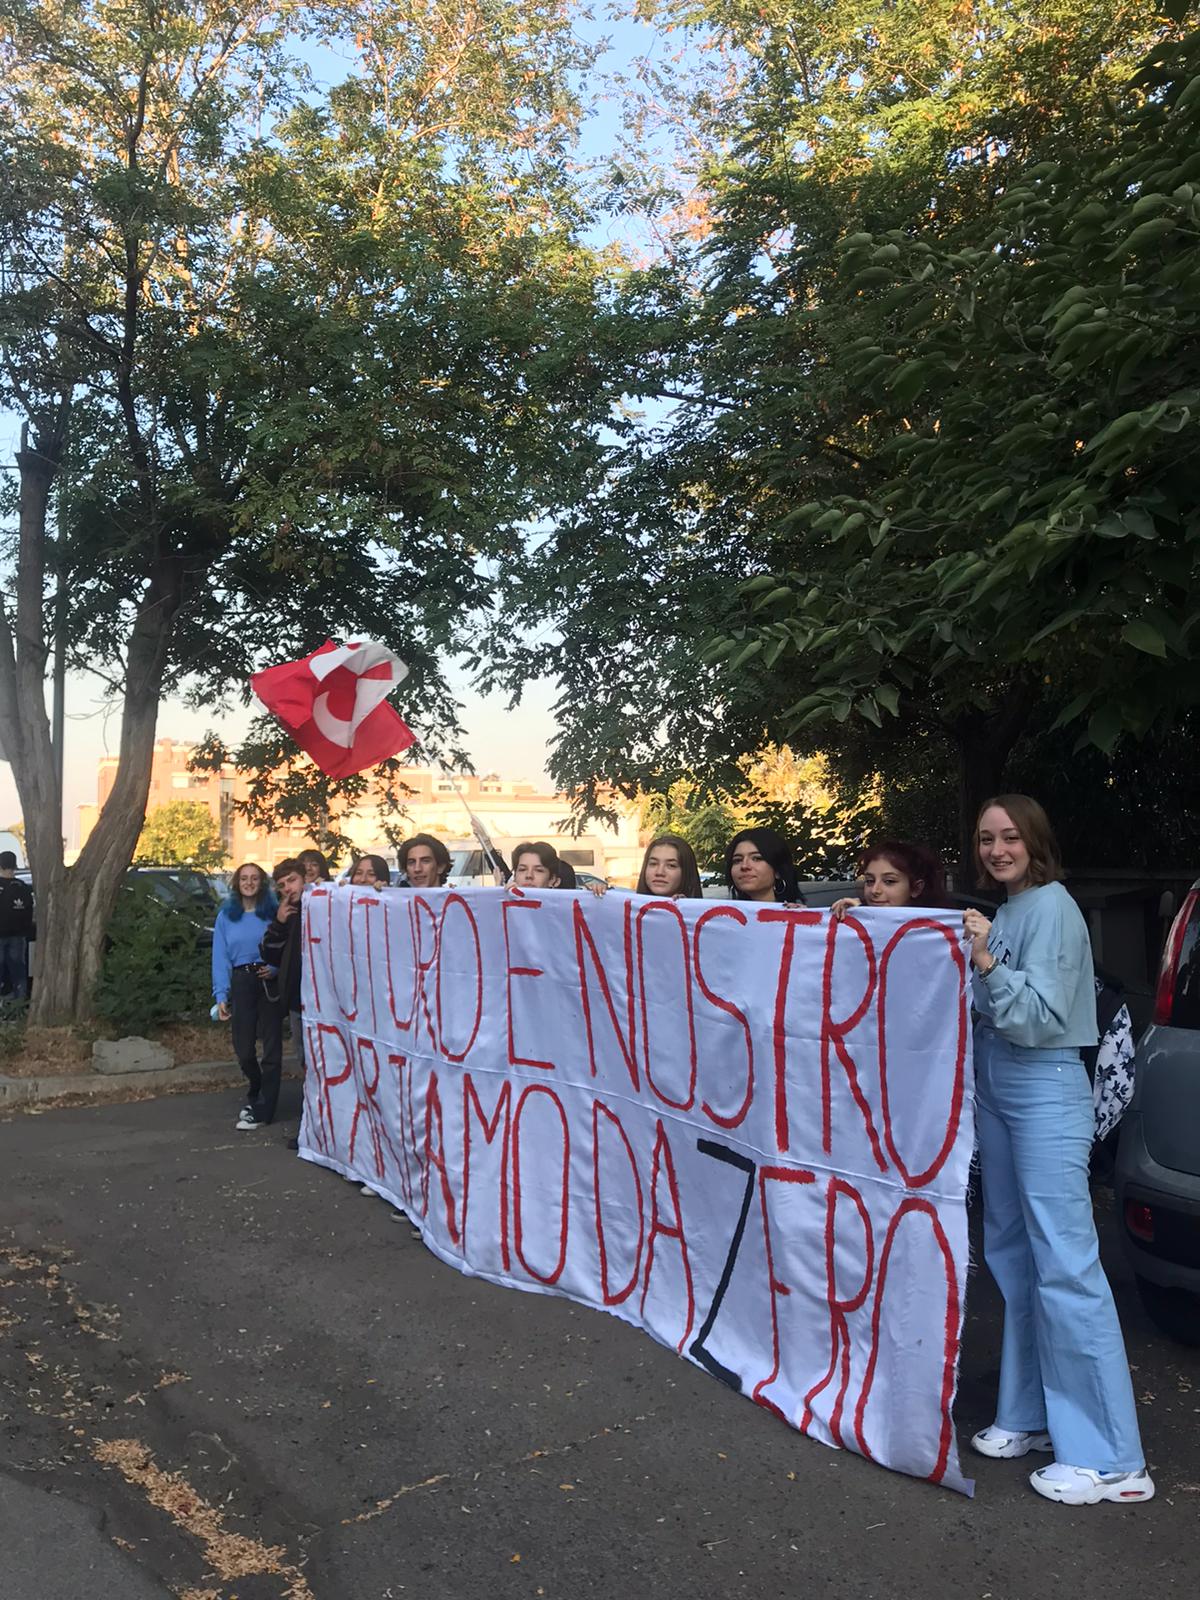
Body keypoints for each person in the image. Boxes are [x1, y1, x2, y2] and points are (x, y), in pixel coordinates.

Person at [964, 794, 1153, 1506]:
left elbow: (1038, 1019)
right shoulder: (1011, 910)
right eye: (986, 839)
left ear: (1034, 840)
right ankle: (1032, 1413)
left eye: (1010, 837)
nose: (997, 849)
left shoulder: (1053, 908)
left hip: (1044, 1088)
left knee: (1066, 1264)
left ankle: (1111, 1459)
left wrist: (985, 961)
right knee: (1013, 1254)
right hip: (1001, 1091)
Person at [212, 863, 282, 1131]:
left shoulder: (273, 913)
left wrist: (274, 968)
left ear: (262, 883)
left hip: (268, 980)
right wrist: (221, 994)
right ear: (236, 883)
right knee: (243, 1049)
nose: (249, 883)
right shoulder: (226, 917)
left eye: (255, 878)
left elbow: (285, 946)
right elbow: (220, 958)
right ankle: (257, 1089)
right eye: (244, 878)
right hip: (241, 981)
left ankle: (265, 1109)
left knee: (272, 1048)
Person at [260, 858, 308, 1149]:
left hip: (329, 1004)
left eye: (292, 880)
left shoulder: (323, 908)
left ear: (304, 878)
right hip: (297, 1001)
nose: (288, 889)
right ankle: (311, 1128)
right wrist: (279, 922)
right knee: (307, 1065)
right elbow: (267, 955)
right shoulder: (285, 915)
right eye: (281, 886)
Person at [830, 839, 948, 918]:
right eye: (870, 881)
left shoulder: (944, 929)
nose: (875, 890)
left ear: (916, 888)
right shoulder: (851, 913)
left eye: (889, 881)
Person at [725, 828, 803, 904]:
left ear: (777, 870)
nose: (744, 866)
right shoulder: (722, 916)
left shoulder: (798, 914)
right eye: (737, 860)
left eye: (757, 858)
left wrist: (800, 916)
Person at [0, 851, 33, 1004]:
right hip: (19, 936)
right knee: (18, 969)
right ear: (14, 866)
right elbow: (29, 911)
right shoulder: (23, 887)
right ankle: (19, 1001)